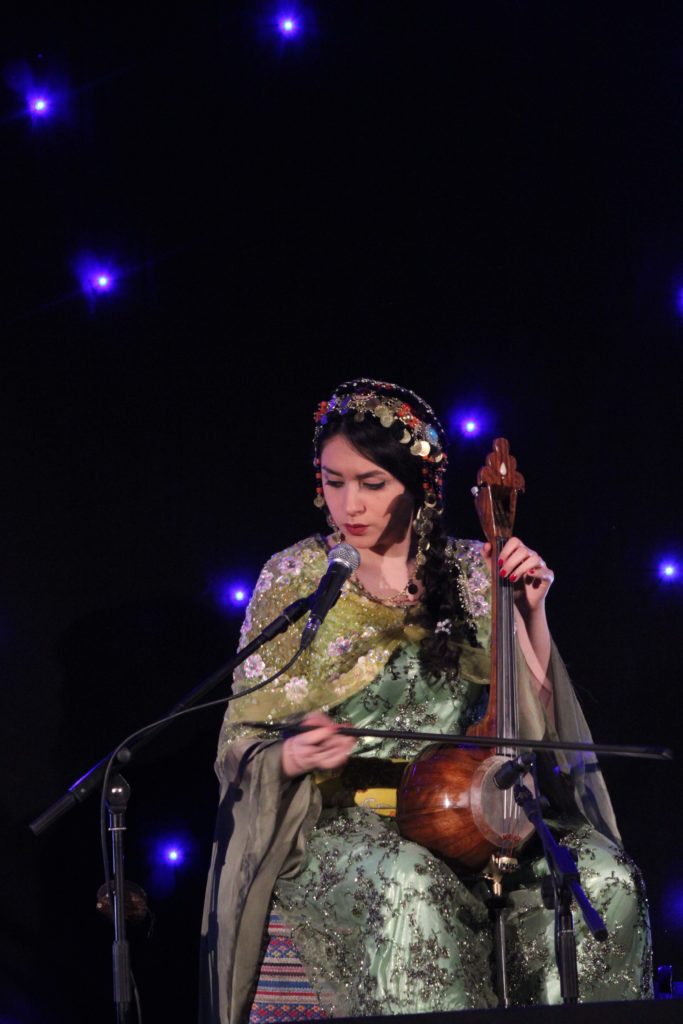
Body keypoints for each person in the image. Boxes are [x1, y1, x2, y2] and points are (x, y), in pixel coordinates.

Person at [199, 379, 652, 1024]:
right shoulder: (296, 575)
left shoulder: (473, 570)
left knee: (608, 879)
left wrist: (531, 611)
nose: (349, 504)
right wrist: (291, 754)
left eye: (372, 483)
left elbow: (538, 726)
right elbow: (239, 739)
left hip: (477, 815)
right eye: (333, 482)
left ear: (419, 484)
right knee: (412, 886)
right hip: (350, 821)